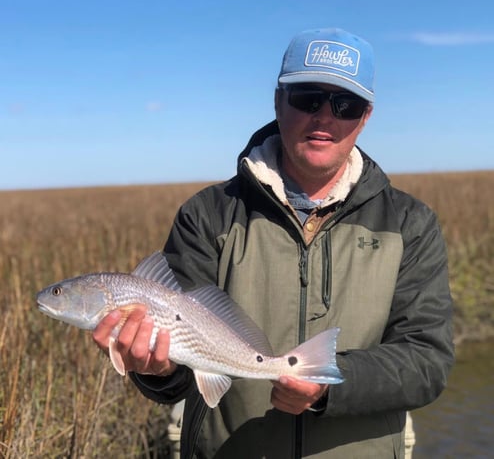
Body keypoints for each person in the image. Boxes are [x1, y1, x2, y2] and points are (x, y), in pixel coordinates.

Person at [93, 28, 455, 458]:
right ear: (278, 99)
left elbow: (426, 362)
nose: (324, 117)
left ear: (366, 116)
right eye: (307, 98)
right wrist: (157, 369)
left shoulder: (410, 223)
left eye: (345, 104)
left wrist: (330, 386)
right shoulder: (208, 213)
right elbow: (179, 375)